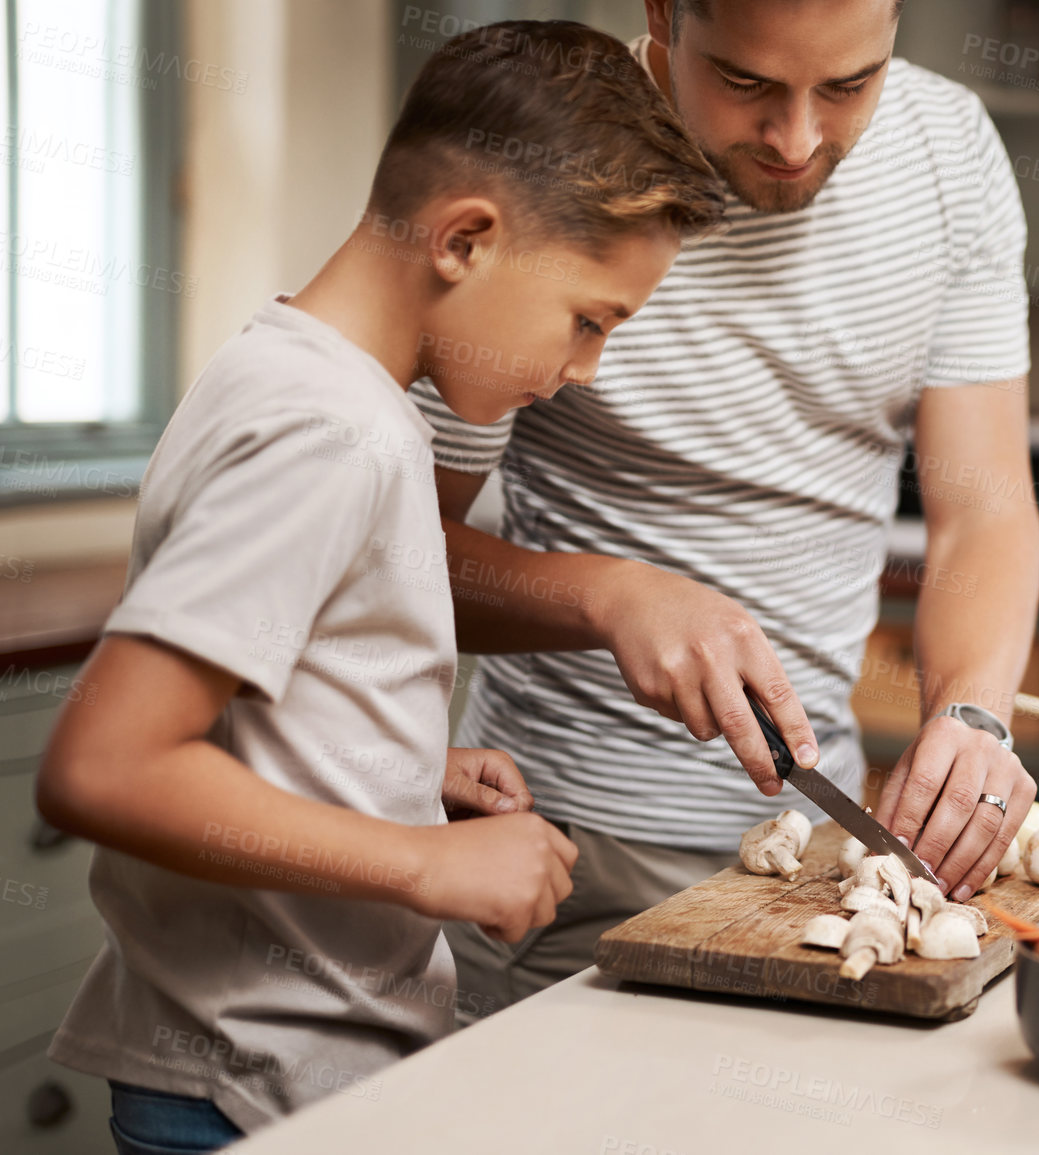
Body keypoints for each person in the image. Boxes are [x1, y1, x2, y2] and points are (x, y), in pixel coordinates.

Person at [35, 21, 724, 1152]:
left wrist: (393, 772)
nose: (584, 369)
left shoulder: (297, 380)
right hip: (248, 1083)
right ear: (464, 240)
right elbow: (103, 768)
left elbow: (244, 707)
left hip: (264, 1066)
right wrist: (422, 859)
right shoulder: (332, 432)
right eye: (589, 320)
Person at [414, 0, 1039, 1011]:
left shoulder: (950, 151)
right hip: (560, 852)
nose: (798, 143)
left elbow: (986, 513)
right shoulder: (543, 159)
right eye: (748, 83)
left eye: (848, 86)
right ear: (663, 14)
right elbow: (386, 560)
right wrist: (608, 596)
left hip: (822, 856)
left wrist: (973, 717)